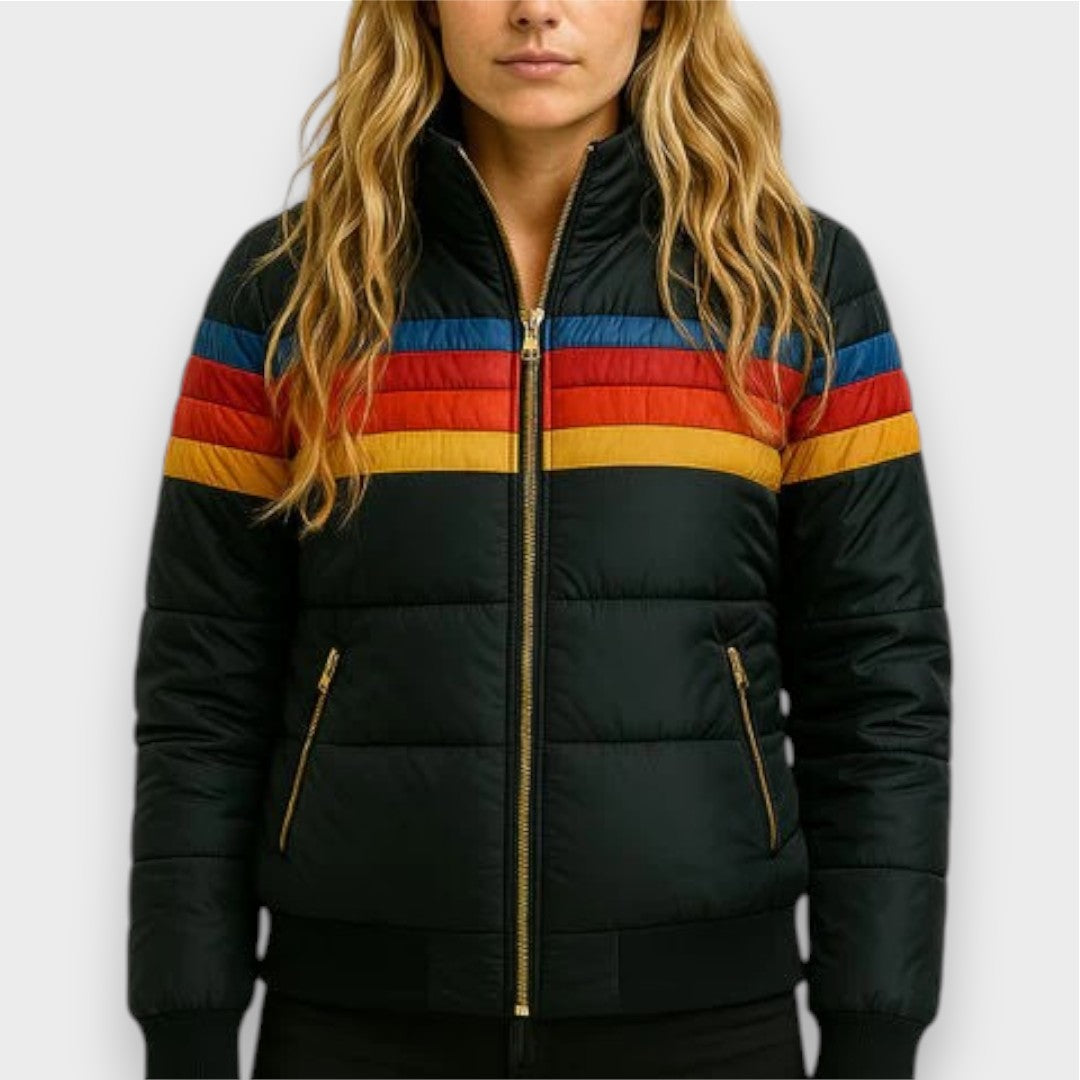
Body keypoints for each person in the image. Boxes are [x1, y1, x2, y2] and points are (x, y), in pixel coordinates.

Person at [125, 2, 952, 1078]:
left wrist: (874, 1034)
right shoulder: (289, 292)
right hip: (358, 1026)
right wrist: (187, 1029)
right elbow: (202, 689)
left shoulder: (792, 285)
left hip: (703, 1027)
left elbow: (881, 686)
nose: (535, 9)